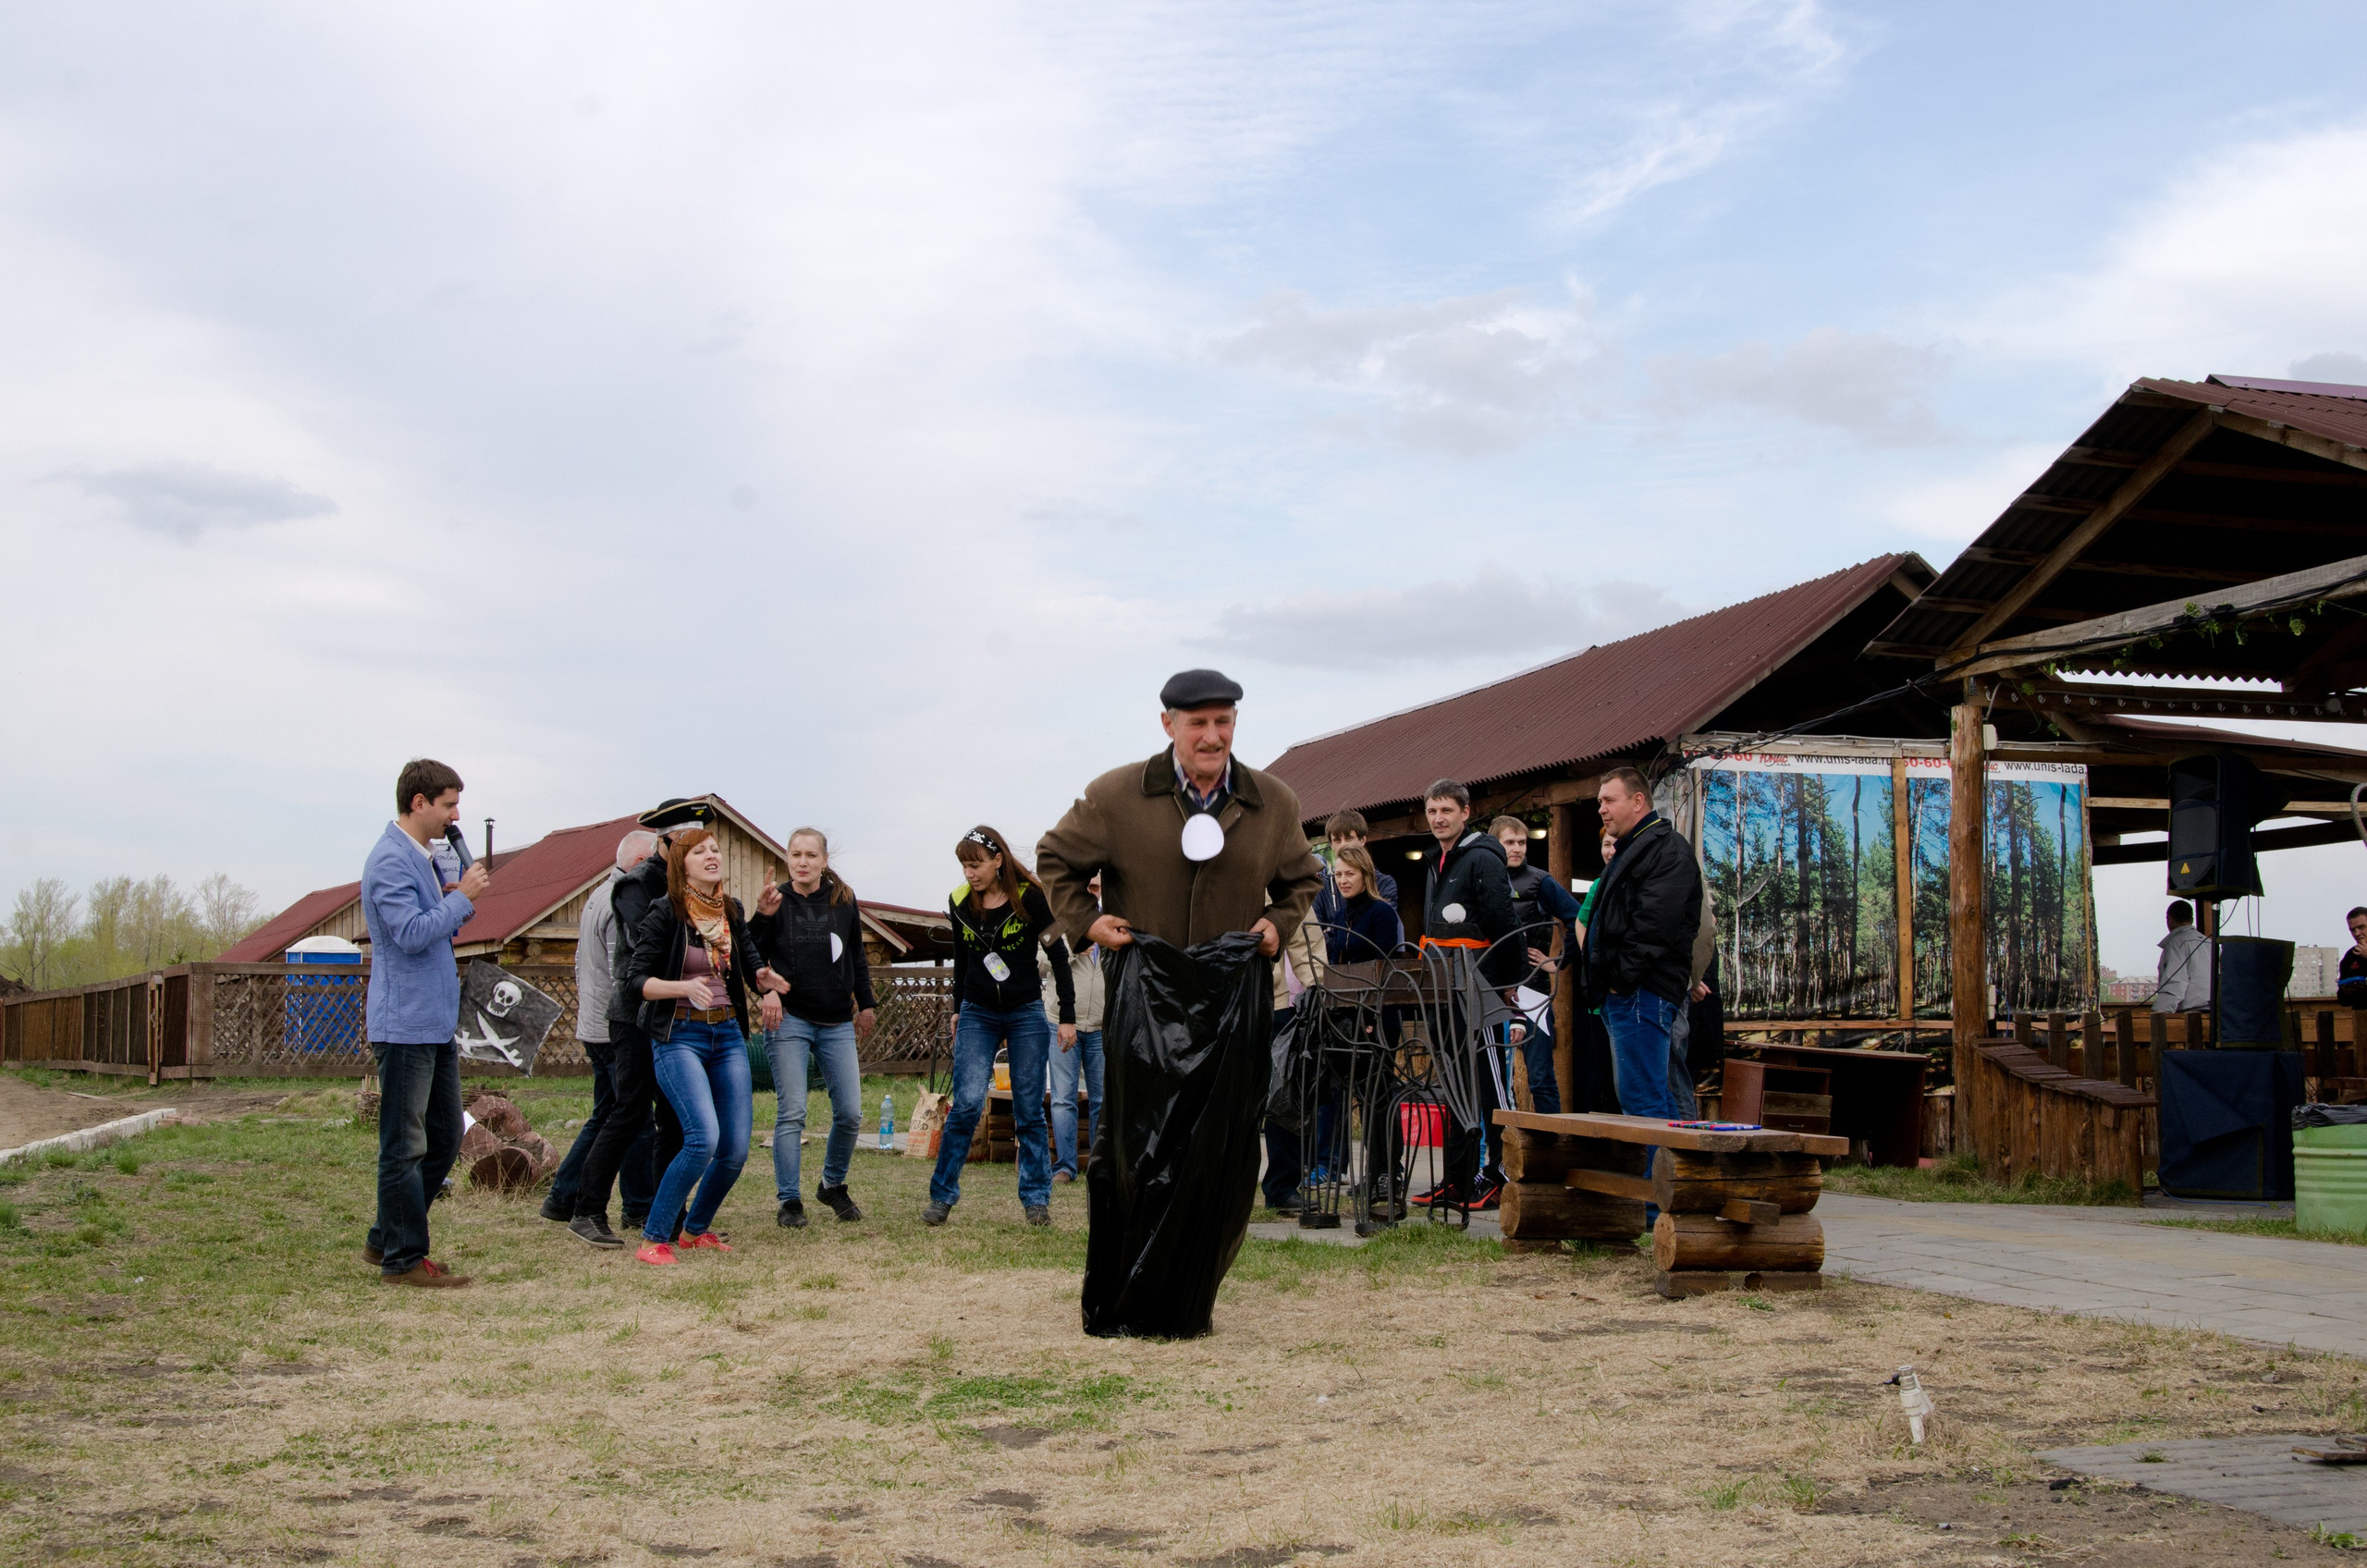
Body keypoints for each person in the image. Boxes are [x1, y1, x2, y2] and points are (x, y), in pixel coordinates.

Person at [1036, 668, 1325, 959]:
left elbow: (1303, 879)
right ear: (1168, 724)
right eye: (1198, 723)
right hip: (1143, 995)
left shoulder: (1273, 802)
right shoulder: (1114, 797)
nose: (1212, 737)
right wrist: (1087, 921)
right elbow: (1054, 857)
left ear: (1235, 721)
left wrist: (1279, 923)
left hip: (1238, 995)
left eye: (1222, 722)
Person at [619, 826, 788, 1266]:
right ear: (682, 864)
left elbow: (750, 963)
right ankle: (654, 1238)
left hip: (727, 1033)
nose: (713, 856)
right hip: (679, 1037)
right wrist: (681, 986)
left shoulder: (729, 910)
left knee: (734, 1148)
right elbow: (634, 981)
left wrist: (764, 982)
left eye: (716, 849)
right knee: (702, 1139)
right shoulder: (665, 912)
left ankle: (695, 1231)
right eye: (700, 852)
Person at [361, 758, 492, 1288]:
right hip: (404, 1025)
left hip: (433, 1025)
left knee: (442, 1136)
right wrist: (460, 899)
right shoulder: (389, 861)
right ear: (418, 803)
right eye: (448, 805)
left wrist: (452, 898)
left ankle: (383, 1238)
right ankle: (404, 1259)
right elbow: (411, 934)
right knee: (403, 1144)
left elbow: (432, 926)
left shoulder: (423, 858)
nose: (455, 816)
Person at [569, 799, 708, 1247]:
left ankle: (667, 1216)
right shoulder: (635, 886)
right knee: (627, 1113)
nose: (697, 854)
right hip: (634, 1018)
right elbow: (652, 946)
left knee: (672, 1119)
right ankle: (586, 1210)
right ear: (665, 845)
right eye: (687, 845)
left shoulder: (696, 888)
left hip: (676, 1017)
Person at [927, 827, 1076, 1228]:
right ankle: (941, 1197)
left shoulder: (1031, 898)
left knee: (1029, 1110)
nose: (969, 873)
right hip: (978, 1011)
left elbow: (1059, 957)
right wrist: (959, 1009)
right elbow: (961, 959)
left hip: (1026, 1012)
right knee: (968, 1104)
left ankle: (1036, 1200)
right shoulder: (959, 902)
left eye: (975, 864)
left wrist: (1066, 1017)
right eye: (963, 865)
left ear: (998, 861)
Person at [750, 827, 878, 1230]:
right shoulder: (776, 901)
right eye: (795, 854)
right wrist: (765, 989)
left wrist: (867, 1005)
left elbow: (855, 954)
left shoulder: (843, 901)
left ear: (824, 861)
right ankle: (789, 1201)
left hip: (838, 1019)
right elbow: (749, 956)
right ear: (788, 859)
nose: (802, 861)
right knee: (793, 1112)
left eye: (810, 855)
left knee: (851, 1113)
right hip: (789, 1018)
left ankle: (832, 1184)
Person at [542, 829, 659, 1237]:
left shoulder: (596, 896)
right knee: (635, 1118)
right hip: (614, 1029)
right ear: (637, 862)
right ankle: (638, 1207)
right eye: (651, 862)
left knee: (606, 1115)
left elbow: (579, 965)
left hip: (594, 1024)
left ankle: (562, 1196)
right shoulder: (620, 901)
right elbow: (621, 970)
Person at [1583, 767, 1704, 1161]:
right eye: (1600, 801)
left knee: (1644, 1102)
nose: (1601, 809)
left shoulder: (1666, 850)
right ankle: (1672, 1200)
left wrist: (1620, 981)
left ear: (1638, 801)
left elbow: (1653, 927)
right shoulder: (1635, 846)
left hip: (1641, 992)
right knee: (1653, 1100)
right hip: (1629, 993)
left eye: (1609, 800)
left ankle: (1658, 1207)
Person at [1413, 780, 1521, 1209]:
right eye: (1432, 811)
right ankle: (1457, 1180)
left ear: (1465, 812)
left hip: (1482, 991)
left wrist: (1506, 980)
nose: (1438, 818)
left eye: (1446, 810)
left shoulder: (1482, 859)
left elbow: (1503, 922)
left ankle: (1501, 1174)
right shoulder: (1435, 863)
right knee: (1457, 1086)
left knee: (1494, 1088)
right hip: (1445, 989)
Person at [1490, 815, 1583, 1115]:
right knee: (1493, 1083)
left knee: (1541, 1078)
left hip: (1533, 993)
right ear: (1495, 844)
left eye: (1522, 842)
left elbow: (1579, 917)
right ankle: (1492, 1158)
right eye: (1509, 842)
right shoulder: (1484, 882)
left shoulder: (1539, 881)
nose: (1517, 848)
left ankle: (1551, 1152)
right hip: (1494, 992)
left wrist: (1559, 961)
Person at [1041, 875, 1108, 1186]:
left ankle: (1099, 1164)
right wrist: (1071, 947)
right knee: (1063, 1097)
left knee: (1102, 1098)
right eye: (1088, 885)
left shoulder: (1113, 919)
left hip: (1102, 1025)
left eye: (1096, 885)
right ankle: (1065, 1167)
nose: (1092, 890)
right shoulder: (1061, 918)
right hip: (1061, 1021)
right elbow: (1040, 960)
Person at [1311, 809, 1400, 930]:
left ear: (1363, 840)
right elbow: (1315, 936)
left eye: (1349, 838)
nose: (1343, 845)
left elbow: (1381, 927)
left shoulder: (1384, 883)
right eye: (1337, 840)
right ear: (1331, 844)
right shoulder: (1321, 888)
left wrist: (1333, 932)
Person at [2152, 901, 2210, 1013]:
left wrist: (2159, 1013)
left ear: (2170, 919)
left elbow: (2174, 983)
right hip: (2213, 1013)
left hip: (2191, 1014)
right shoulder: (2210, 943)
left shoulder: (2176, 943)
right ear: (2192, 920)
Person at [2340, 907, 2367, 1009]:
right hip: (2361, 1017)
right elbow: (2343, 1001)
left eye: (2361, 927)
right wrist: (2347, 991)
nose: (2357, 933)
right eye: (2352, 930)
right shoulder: (2350, 956)